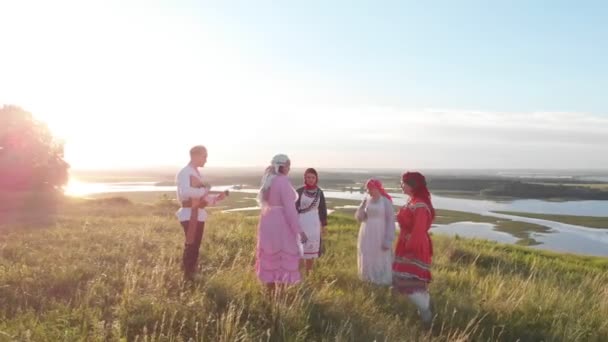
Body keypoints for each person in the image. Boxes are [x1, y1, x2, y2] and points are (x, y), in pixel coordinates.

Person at [255, 154, 308, 292]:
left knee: (270, 254)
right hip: (281, 223)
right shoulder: (282, 181)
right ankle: (281, 294)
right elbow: (290, 210)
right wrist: (299, 231)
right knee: (283, 256)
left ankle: (270, 291)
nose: (289, 169)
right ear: (282, 166)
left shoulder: (268, 180)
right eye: (288, 166)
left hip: (267, 221)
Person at [175, 145, 226, 281]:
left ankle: (190, 274)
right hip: (189, 214)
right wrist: (205, 190)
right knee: (191, 245)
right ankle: (187, 276)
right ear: (195, 156)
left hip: (197, 214)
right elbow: (185, 192)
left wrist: (215, 199)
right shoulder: (185, 172)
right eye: (204, 156)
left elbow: (201, 197)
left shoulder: (196, 173)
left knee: (195, 246)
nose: (206, 160)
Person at [392, 171, 436, 326]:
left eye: (403, 183)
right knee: (410, 281)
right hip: (406, 243)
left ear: (412, 185)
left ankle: (426, 311)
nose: (401, 185)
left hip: (414, 247)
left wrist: (410, 250)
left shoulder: (420, 205)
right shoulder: (412, 201)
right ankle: (426, 310)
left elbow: (418, 230)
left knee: (407, 281)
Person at [355, 178, 396, 285]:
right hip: (367, 231)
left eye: (371, 189)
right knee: (367, 252)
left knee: (379, 254)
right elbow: (360, 218)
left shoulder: (386, 202)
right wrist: (361, 207)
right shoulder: (367, 200)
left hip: (380, 232)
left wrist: (388, 239)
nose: (369, 191)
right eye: (367, 189)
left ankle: (380, 279)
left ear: (377, 188)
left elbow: (391, 221)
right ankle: (367, 277)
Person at [295, 168, 328, 274]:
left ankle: (309, 274)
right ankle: (299, 274)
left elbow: (322, 209)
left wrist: (324, 226)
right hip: (301, 223)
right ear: (305, 178)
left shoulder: (320, 192)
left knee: (311, 251)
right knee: (299, 250)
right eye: (308, 177)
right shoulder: (299, 191)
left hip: (314, 224)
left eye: (313, 177)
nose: (310, 179)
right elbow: (294, 209)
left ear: (316, 178)